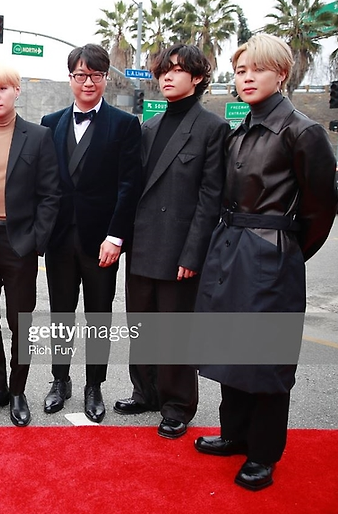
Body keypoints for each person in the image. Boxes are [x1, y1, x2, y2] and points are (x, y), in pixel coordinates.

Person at [193, 34, 337, 491]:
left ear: (282, 73)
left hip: (270, 254)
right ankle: (234, 434)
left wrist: (284, 251)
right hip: (230, 247)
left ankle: (264, 453)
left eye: (257, 69)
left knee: (266, 358)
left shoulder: (302, 130)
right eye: (239, 71)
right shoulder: (243, 128)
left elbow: (320, 209)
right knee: (231, 349)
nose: (247, 77)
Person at [115, 44, 229, 439]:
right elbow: (132, 190)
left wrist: (193, 252)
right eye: (163, 70)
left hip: (180, 249)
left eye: (177, 70)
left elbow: (210, 198)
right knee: (141, 325)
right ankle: (144, 392)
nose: (167, 76)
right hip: (143, 245)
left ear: (197, 78)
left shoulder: (212, 128)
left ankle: (177, 404)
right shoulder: (148, 128)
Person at [40, 44, 142, 422]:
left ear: (105, 79)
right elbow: (45, 183)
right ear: (70, 78)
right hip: (60, 239)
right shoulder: (50, 123)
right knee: (61, 314)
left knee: (99, 317)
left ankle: (93, 385)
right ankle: (59, 380)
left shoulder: (124, 124)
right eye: (80, 75)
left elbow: (129, 186)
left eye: (96, 75)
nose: (88, 82)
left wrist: (116, 237)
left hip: (102, 242)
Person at [0, 64, 59, 427]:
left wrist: (36, 240)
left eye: (2, 89)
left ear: (17, 91)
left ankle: (18, 390)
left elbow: (51, 195)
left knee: (20, 321)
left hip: (19, 242)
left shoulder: (38, 137)